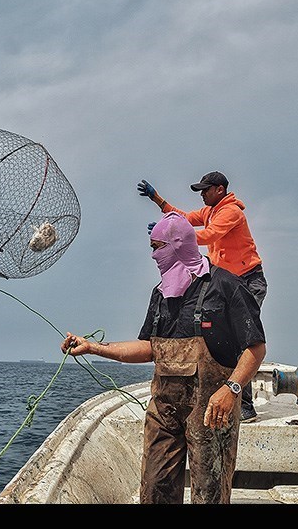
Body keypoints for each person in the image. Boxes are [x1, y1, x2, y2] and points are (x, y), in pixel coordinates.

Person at [61, 212, 266, 504]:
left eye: (158, 246)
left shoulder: (226, 286)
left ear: (179, 244)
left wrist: (232, 389)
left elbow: (255, 348)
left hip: (212, 412)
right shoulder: (160, 295)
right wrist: (94, 347)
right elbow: (150, 347)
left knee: (210, 494)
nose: (154, 255)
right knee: (155, 488)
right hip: (164, 412)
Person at [137, 172, 267, 422]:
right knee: (221, 339)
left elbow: (207, 236)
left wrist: (168, 237)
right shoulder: (210, 212)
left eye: (205, 190)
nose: (202, 194)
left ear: (219, 189)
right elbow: (183, 218)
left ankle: (245, 404)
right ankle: (217, 392)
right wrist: (157, 199)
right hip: (226, 282)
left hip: (249, 281)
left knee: (242, 341)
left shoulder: (231, 212)